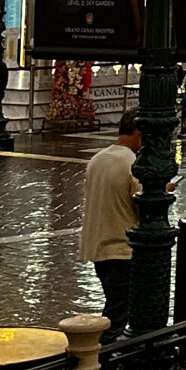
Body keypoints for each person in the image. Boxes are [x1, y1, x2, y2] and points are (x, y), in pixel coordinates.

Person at [82, 113, 140, 328]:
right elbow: (142, 203)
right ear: (137, 133)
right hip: (121, 247)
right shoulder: (133, 163)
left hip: (98, 246)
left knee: (114, 303)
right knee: (117, 313)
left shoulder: (97, 158)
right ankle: (104, 355)